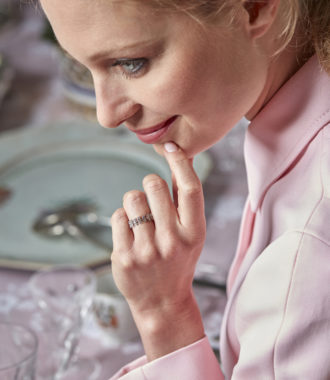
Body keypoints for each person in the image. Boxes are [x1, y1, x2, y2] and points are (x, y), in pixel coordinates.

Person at [39, 0, 330, 378]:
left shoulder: (307, 246)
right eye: (81, 65)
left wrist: (164, 313)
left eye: (131, 63)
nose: (106, 115)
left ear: (254, 7)